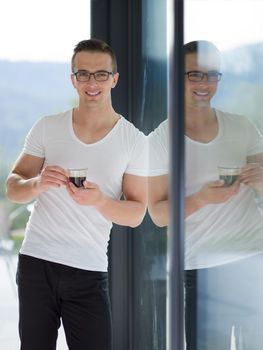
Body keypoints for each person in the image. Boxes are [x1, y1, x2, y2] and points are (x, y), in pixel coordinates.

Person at [5, 39, 147, 350]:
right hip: (36, 264)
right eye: (83, 74)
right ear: (73, 79)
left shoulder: (134, 141)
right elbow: (13, 186)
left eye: (100, 74)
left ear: (114, 78)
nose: (91, 83)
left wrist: (101, 201)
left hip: (88, 270)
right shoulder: (47, 127)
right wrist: (37, 184)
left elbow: (136, 213)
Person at [148, 40, 263, 349]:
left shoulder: (243, 127)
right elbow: (158, 214)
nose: (205, 83)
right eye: (194, 75)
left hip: (253, 260)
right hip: (201, 270)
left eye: (212, 75)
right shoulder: (161, 139)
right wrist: (200, 199)